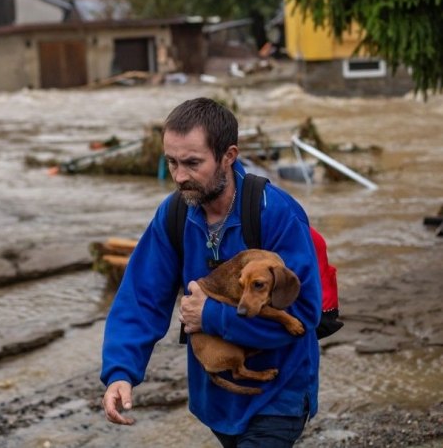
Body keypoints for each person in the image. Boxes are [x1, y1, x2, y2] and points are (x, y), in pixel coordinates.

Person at [100, 97, 321, 447]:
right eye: (171, 162)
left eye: (192, 163)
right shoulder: (173, 215)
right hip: (216, 401)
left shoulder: (275, 213)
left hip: (278, 396)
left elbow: (304, 312)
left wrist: (211, 315)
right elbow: (142, 297)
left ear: (228, 156)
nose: (179, 176)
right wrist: (120, 372)